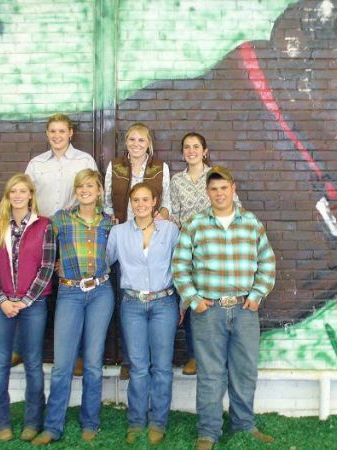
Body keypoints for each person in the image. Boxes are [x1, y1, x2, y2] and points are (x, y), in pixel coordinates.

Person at [172, 166, 276, 450]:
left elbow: (266, 262)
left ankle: (244, 424)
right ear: (208, 193)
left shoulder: (251, 223)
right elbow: (180, 266)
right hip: (209, 312)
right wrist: (195, 300)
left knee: (244, 371)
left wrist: (257, 295)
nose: (219, 193)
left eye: (223, 188)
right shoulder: (195, 224)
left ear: (233, 188)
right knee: (210, 374)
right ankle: (208, 431)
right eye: (214, 189)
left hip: (244, 309)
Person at [10, 113, 97, 373]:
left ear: (71, 133)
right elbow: (26, 197)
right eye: (52, 131)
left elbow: (91, 191)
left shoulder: (84, 160)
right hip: (42, 231)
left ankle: (78, 355)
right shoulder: (36, 164)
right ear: (47, 134)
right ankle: (20, 348)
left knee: (74, 292)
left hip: (72, 231)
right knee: (31, 286)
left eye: (62, 131)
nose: (57, 136)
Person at [32, 169, 114, 445]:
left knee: (93, 361)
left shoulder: (108, 223)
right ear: (76, 191)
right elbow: (39, 243)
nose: (85, 190)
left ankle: (90, 421)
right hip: (69, 292)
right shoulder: (61, 220)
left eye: (90, 185)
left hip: (101, 293)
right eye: (80, 186)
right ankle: (53, 426)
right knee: (63, 363)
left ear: (99, 190)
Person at [0, 173, 56, 442]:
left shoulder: (44, 226)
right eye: (13, 191)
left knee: (33, 364)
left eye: (23, 191)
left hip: (33, 305)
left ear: (31, 195)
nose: (18, 196)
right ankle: (0, 421)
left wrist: (24, 301)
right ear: (8, 196)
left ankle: (33, 422)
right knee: (1, 363)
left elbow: (47, 268)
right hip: (0, 306)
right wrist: (2, 300)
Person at [106, 182, 180, 445]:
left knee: (161, 367)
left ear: (155, 201)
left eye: (145, 200)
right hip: (132, 305)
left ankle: (158, 422)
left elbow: (182, 266)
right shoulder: (118, 232)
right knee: (138, 366)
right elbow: (104, 264)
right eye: (135, 200)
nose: (140, 205)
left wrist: (183, 303)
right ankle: (136, 421)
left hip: (164, 303)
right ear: (130, 203)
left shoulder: (170, 231)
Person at [170, 132, 242, 375]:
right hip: (190, 249)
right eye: (187, 147)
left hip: (218, 249)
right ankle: (195, 355)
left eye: (196, 147)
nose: (191, 151)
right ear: (183, 153)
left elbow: (236, 208)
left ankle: (222, 355)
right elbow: (175, 216)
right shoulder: (176, 181)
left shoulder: (216, 177)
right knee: (192, 300)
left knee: (219, 301)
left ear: (205, 151)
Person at [104, 122, 171, 380]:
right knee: (128, 296)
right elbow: (108, 202)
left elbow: (166, 202)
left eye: (141, 140)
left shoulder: (159, 168)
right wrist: (114, 223)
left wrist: (162, 217)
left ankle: (152, 360)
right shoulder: (115, 166)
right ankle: (130, 359)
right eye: (131, 139)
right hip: (125, 235)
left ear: (149, 143)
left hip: (151, 234)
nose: (135, 144)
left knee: (153, 291)